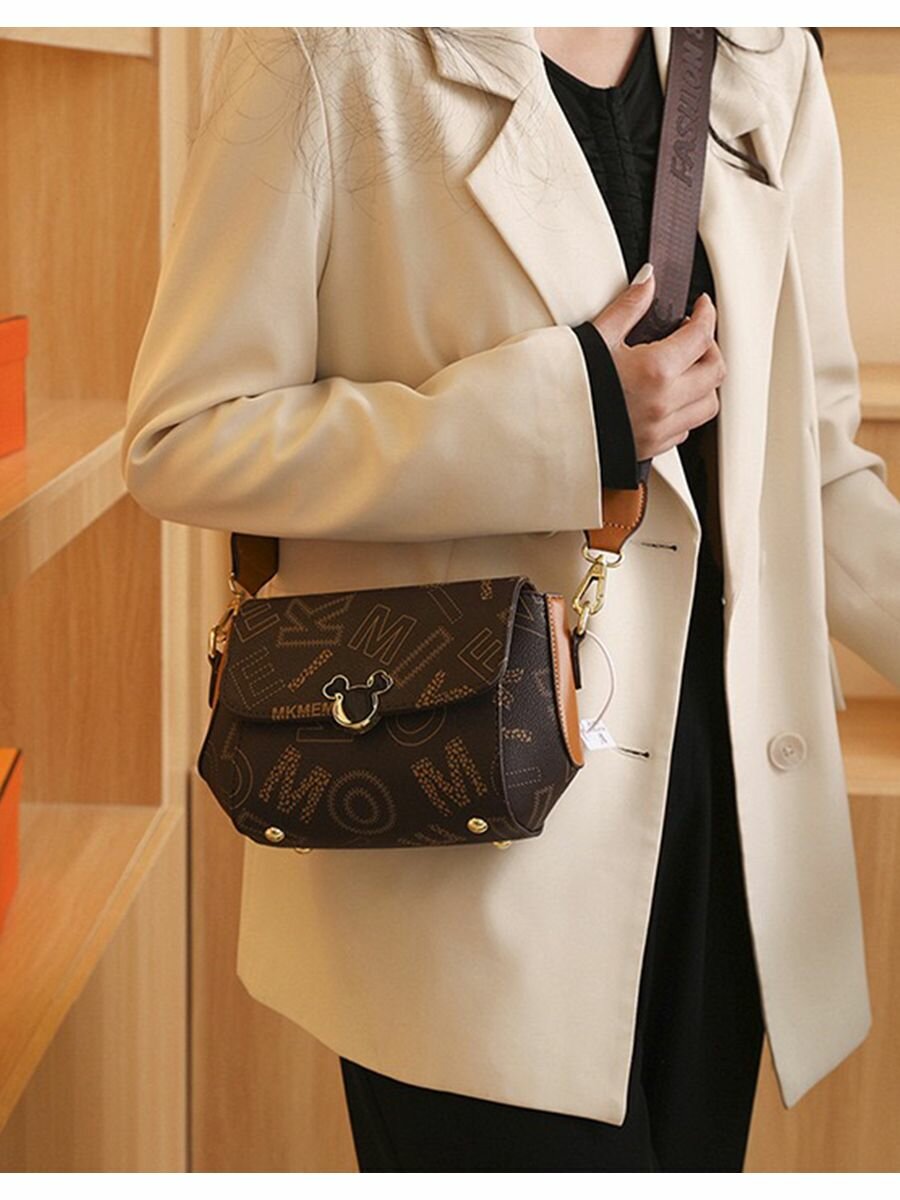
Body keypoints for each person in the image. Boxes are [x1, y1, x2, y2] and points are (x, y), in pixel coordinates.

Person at [121, 26, 900, 1172]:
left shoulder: (764, 44)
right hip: (464, 822)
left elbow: (814, 466)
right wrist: (567, 415)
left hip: (726, 822)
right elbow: (185, 438)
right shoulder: (326, 45)